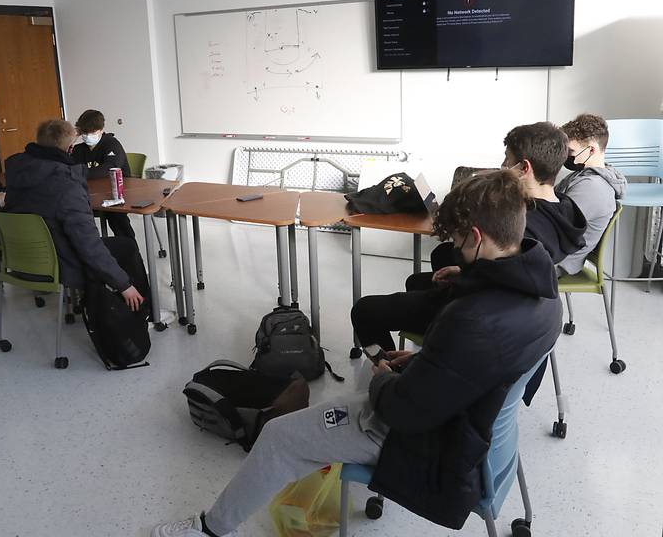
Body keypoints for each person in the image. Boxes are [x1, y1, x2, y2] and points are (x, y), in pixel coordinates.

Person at [150, 170, 562, 536]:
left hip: (432, 440)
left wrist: (383, 372)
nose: (454, 251)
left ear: (475, 237)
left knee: (279, 436)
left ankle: (210, 530)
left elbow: (403, 411)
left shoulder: (473, 321)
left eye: (456, 241)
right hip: (476, 428)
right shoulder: (544, 292)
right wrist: (422, 360)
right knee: (340, 407)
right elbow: (481, 365)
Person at [403, 121, 587, 293]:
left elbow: (498, 277)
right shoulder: (564, 206)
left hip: (489, 295)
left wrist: (464, 274)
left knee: (417, 279)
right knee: (442, 255)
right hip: (514, 285)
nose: (503, 166)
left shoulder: (524, 223)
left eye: (507, 159)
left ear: (524, 168)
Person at [4, 119, 146, 311]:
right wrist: (124, 285)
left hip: (22, 261)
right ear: (70, 148)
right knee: (126, 246)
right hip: (60, 262)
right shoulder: (66, 186)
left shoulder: (16, 172)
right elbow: (88, 244)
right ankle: (144, 308)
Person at [556, 113, 626, 275]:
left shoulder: (592, 187)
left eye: (571, 151)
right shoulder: (582, 175)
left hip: (557, 261)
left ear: (591, 150)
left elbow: (555, 226)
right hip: (555, 252)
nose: (567, 156)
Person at [71, 109, 136, 239]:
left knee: (116, 217)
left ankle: (131, 251)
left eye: (92, 132)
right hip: (89, 194)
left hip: (116, 193)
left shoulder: (112, 144)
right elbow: (68, 169)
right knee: (74, 213)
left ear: (101, 130)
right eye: (84, 132)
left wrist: (79, 173)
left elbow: (109, 168)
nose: (88, 135)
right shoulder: (78, 149)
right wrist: (70, 140)